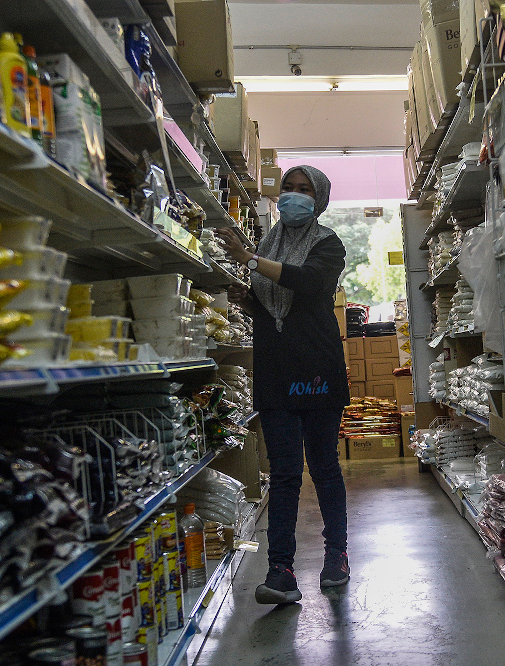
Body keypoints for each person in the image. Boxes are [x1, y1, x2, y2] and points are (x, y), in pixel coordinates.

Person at [215, 165, 351, 605]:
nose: (294, 196)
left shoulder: (328, 243)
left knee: (324, 466)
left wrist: (250, 261)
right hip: (275, 370)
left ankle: (336, 555)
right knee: (286, 472)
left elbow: (308, 285)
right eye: (288, 189)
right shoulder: (269, 243)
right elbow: (277, 312)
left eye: (304, 190)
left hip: (316, 369)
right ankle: (280, 570)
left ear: (320, 198)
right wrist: (249, 300)